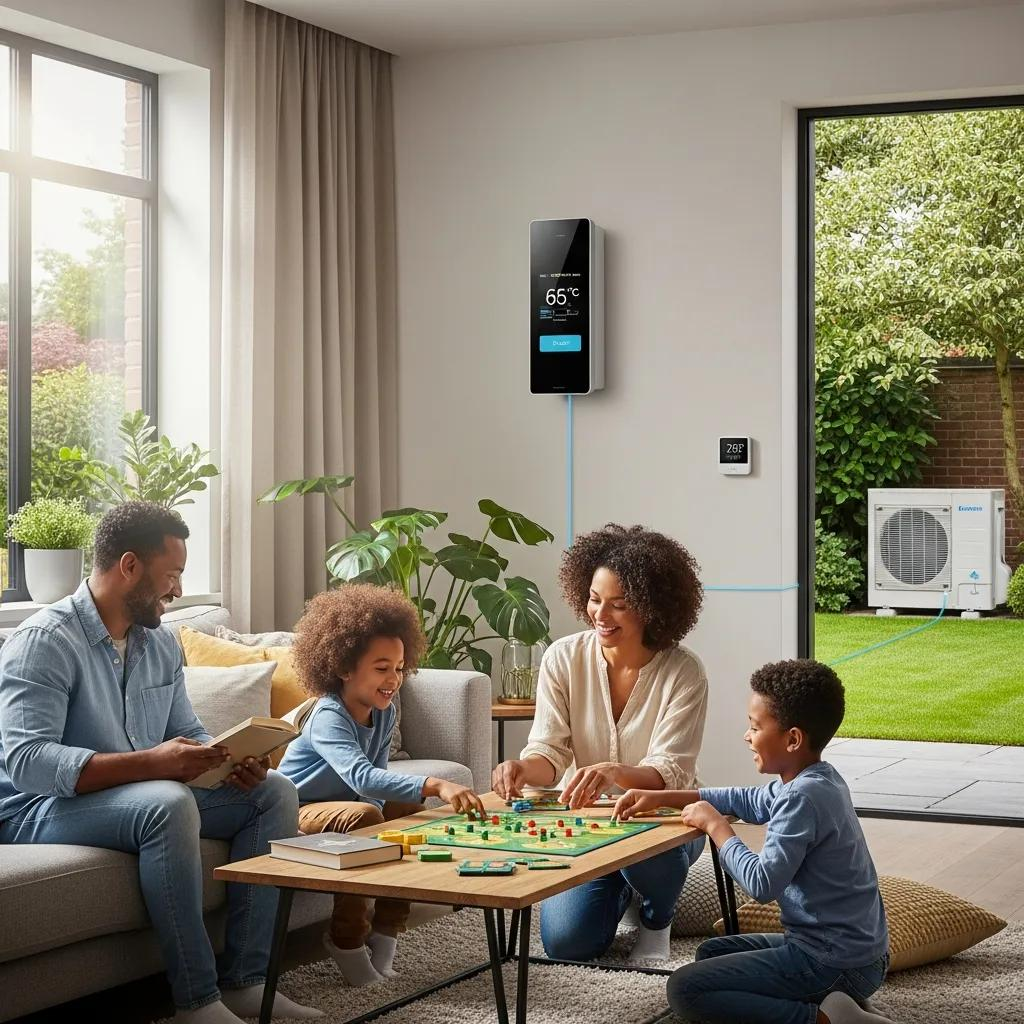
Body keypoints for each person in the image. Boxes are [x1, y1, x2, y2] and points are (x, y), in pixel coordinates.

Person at [0, 501, 319, 1024]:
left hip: (128, 793)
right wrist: (154, 763)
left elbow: (185, 732)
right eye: (171, 575)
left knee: (274, 792)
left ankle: (246, 982)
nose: (176, 590)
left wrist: (227, 757)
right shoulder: (44, 642)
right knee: (166, 803)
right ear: (129, 566)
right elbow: (28, 762)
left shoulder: (159, 643)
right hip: (33, 808)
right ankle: (196, 1000)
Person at [615, 659, 894, 1024]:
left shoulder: (801, 798)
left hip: (832, 961)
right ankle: (839, 1002)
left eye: (755, 726)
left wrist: (717, 828)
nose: (747, 736)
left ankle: (826, 1020)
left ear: (793, 738)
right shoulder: (817, 779)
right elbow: (746, 799)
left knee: (685, 989)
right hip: (854, 955)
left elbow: (762, 884)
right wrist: (667, 797)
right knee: (712, 954)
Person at [492, 523, 709, 963]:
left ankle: (656, 920)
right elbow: (549, 753)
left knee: (649, 852)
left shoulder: (684, 671)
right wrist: (522, 768)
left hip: (664, 820)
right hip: (588, 823)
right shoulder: (562, 657)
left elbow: (670, 771)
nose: (600, 615)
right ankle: (622, 890)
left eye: (619, 605)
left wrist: (613, 773)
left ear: (652, 608)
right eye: (594, 599)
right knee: (567, 946)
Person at [277, 584, 486, 986]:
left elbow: (374, 783)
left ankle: (386, 934)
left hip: (350, 806)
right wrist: (435, 784)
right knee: (368, 815)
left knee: (406, 816)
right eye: (381, 667)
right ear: (343, 667)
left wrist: (395, 822)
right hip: (300, 809)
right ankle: (347, 941)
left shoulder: (382, 711)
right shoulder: (327, 716)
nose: (394, 679)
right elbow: (362, 777)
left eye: (399, 667)